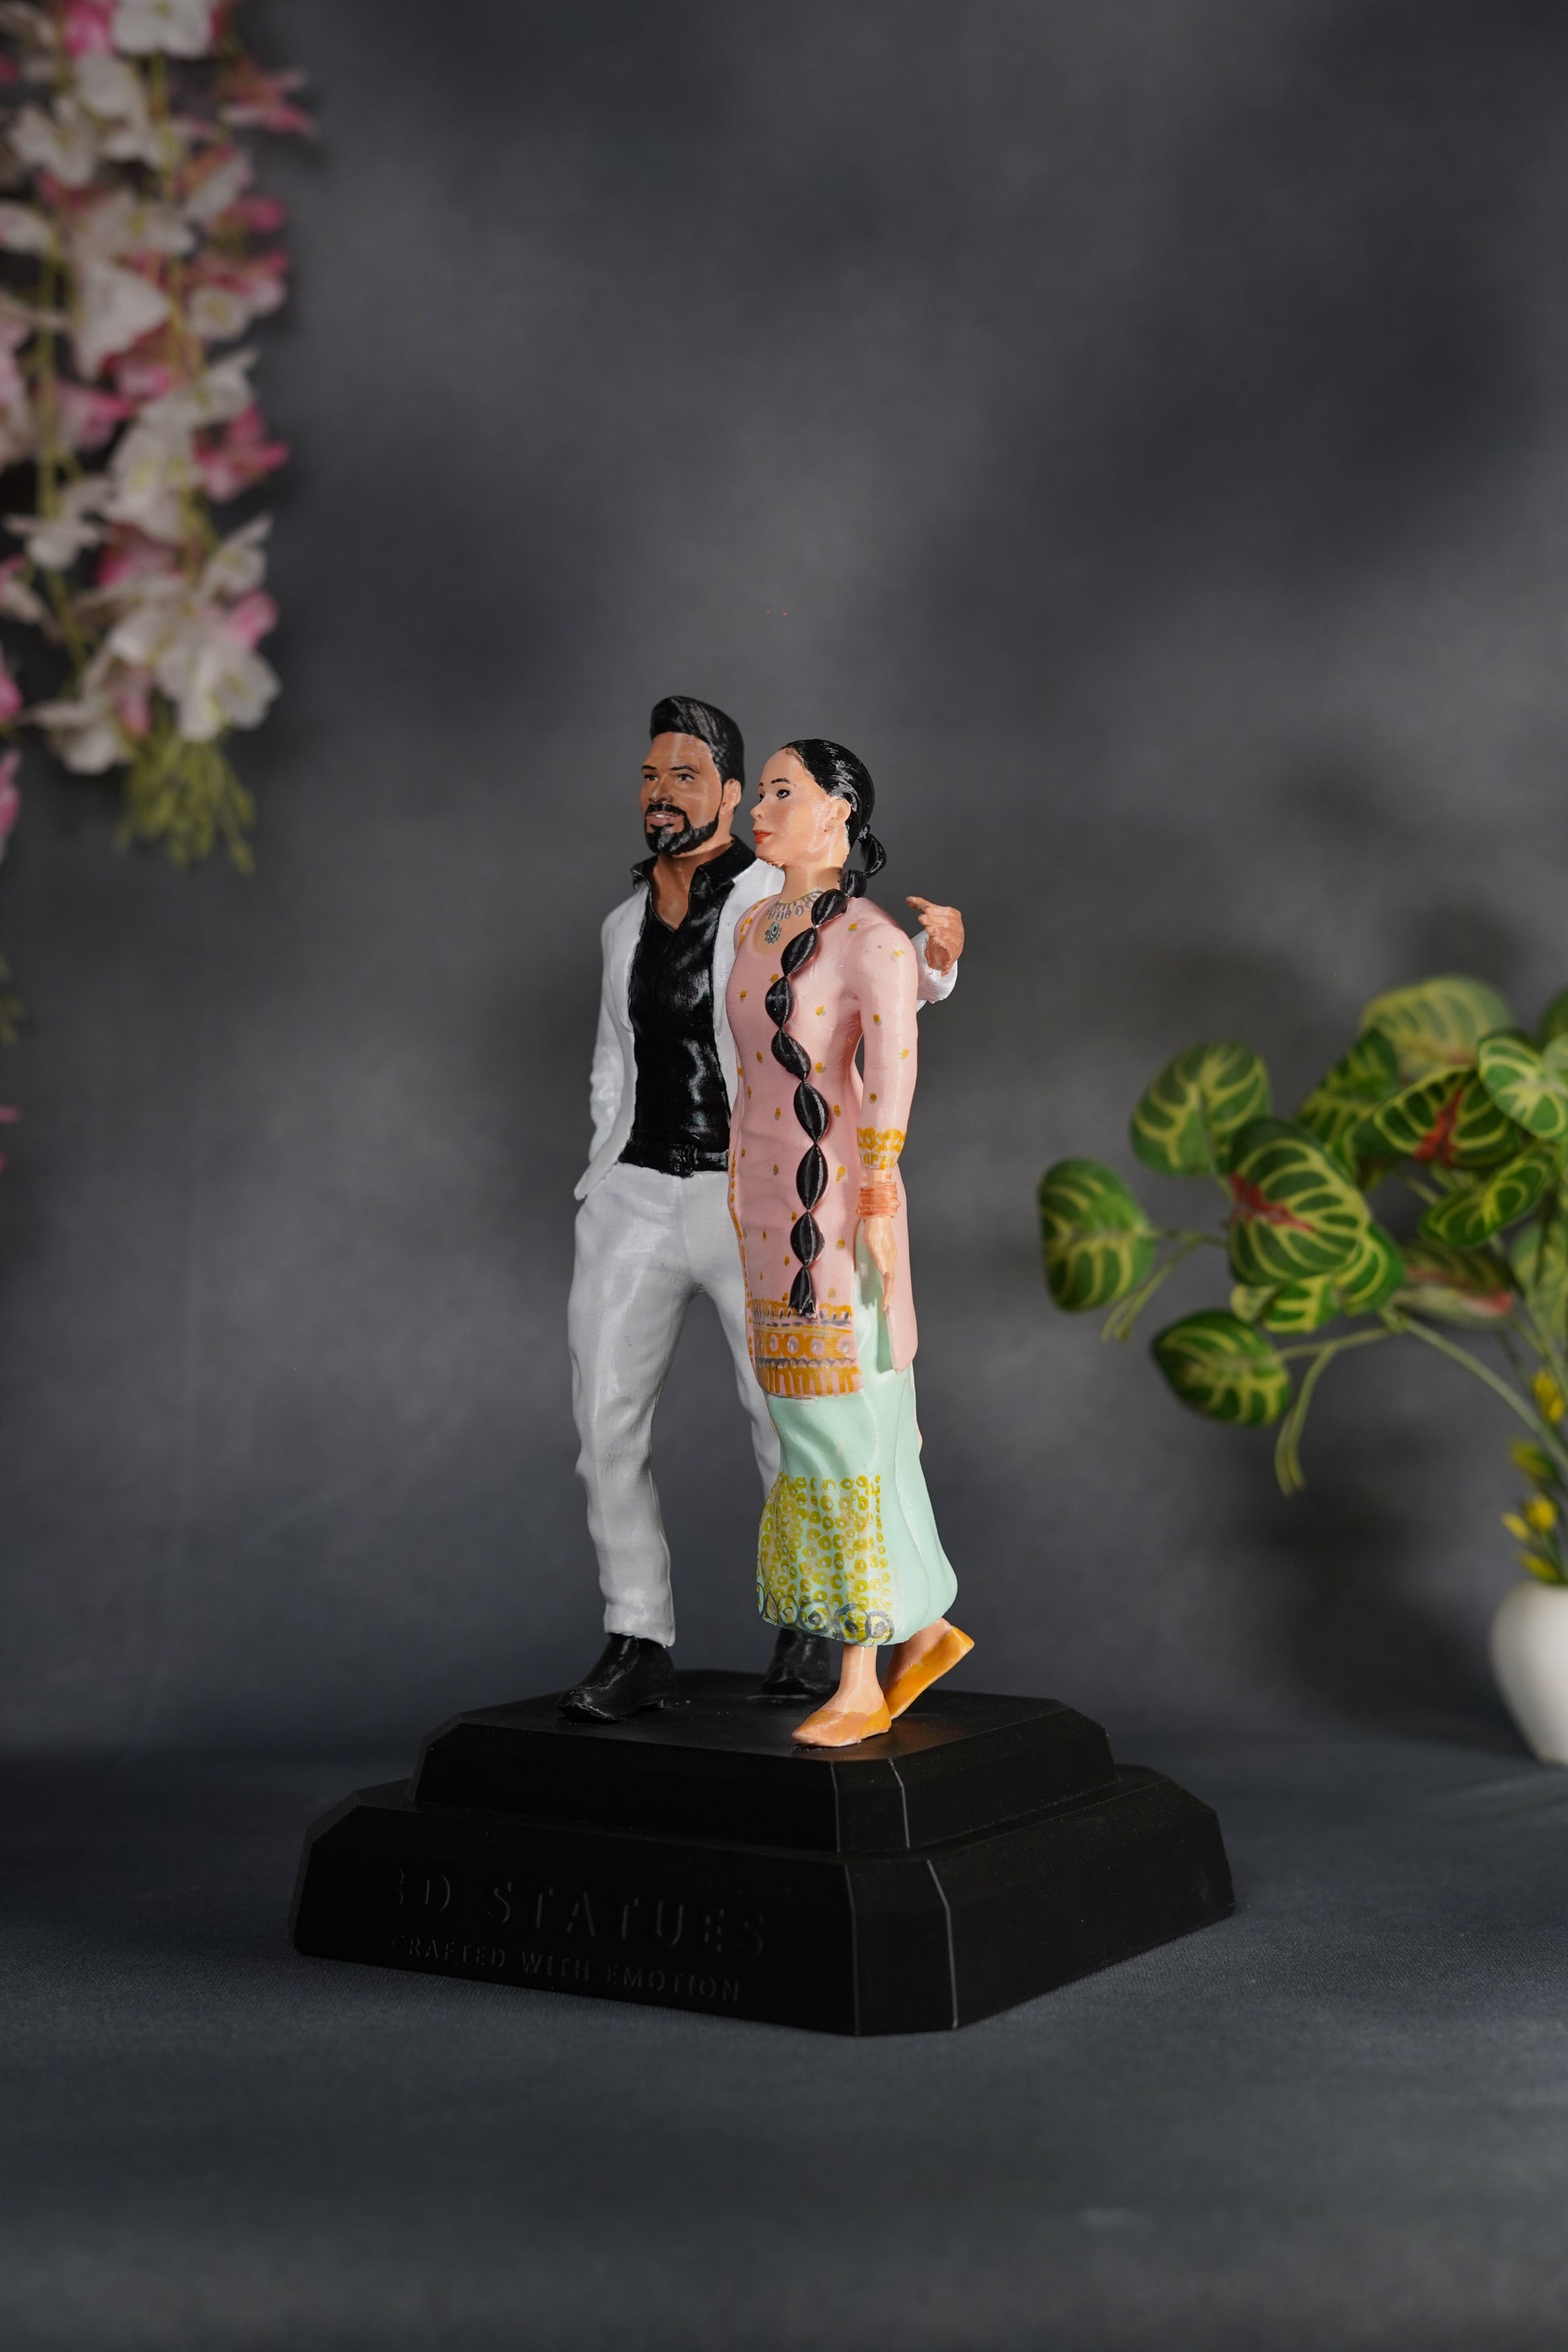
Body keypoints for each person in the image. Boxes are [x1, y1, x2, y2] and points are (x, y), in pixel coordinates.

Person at [560, 696, 964, 1722]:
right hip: (650, 1187)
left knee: (804, 1415)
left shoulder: (771, 897)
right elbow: (614, 1056)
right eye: (650, 777)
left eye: (687, 777)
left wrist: (937, 966)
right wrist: (604, 1163)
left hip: (771, 1196)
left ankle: (826, 1632)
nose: (662, 795)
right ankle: (637, 1632)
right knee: (608, 1418)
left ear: (733, 794)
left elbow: (877, 987)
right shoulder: (630, 925)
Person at [724, 738, 971, 1748]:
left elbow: (894, 1066)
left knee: (846, 1425)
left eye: (782, 792)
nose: (760, 808)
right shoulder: (754, 923)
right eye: (761, 791)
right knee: (807, 1424)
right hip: (759, 1198)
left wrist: (873, 1194)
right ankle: (923, 1629)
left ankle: (862, 1672)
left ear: (836, 812)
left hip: (828, 1208)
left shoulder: (868, 937)